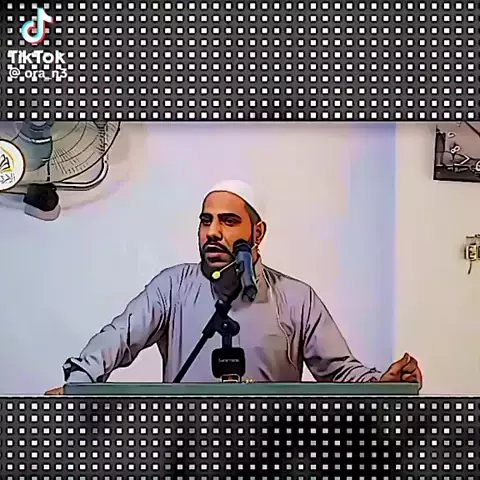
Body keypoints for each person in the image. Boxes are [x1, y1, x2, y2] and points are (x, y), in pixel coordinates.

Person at [47, 180, 422, 394]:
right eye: (205, 221)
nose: (212, 232)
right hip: (187, 460)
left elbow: (339, 372)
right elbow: (119, 337)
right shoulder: (172, 288)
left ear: (257, 233)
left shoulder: (296, 299)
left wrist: (381, 383)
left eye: (228, 221)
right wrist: (79, 383)